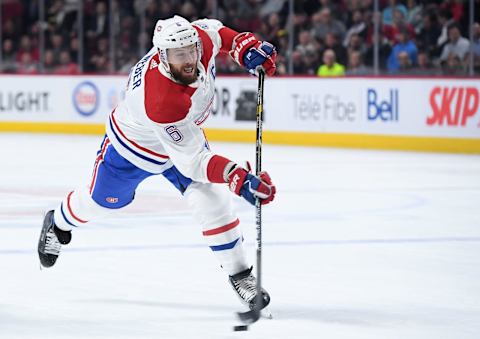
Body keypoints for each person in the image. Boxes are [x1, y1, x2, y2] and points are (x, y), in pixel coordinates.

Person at [37, 15, 277, 311]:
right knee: (100, 201)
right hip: (132, 149)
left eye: (191, 50)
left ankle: (240, 275)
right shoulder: (161, 99)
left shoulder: (197, 42)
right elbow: (193, 162)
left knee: (212, 201)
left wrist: (242, 44)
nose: (189, 60)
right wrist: (235, 175)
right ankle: (58, 223)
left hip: (182, 137)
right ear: (162, 57)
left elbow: (214, 31)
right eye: (179, 55)